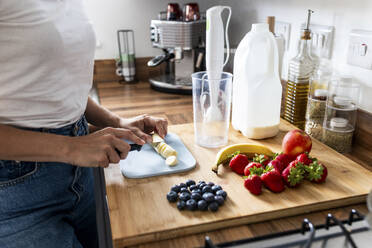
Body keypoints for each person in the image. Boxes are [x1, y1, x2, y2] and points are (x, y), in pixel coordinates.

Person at [0, 1, 167, 247]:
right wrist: (71, 148)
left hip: (83, 176)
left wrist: (118, 122)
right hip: (18, 195)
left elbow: (56, 81)